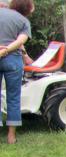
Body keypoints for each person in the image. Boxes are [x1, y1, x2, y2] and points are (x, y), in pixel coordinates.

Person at [0, 0, 34, 144]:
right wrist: (6, 49)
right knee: (13, 97)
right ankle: (11, 136)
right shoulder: (23, 21)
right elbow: (21, 41)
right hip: (13, 59)